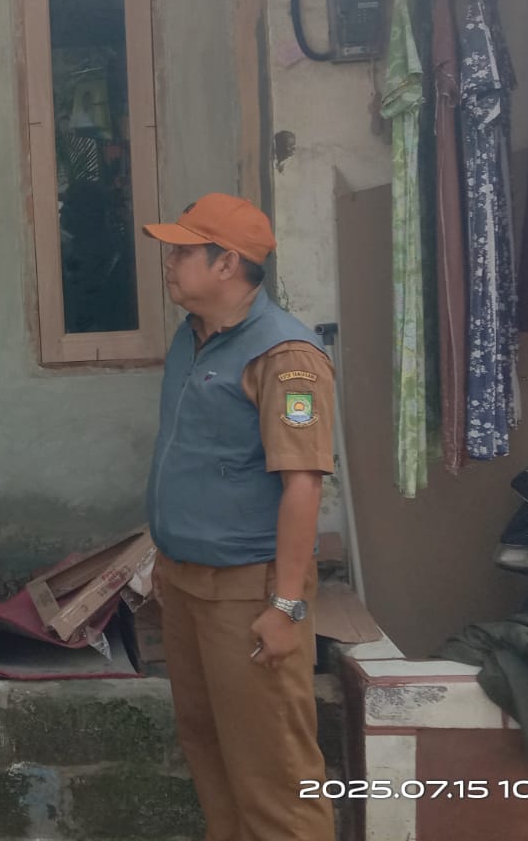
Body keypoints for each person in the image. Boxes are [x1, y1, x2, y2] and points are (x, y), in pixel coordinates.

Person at [142, 193, 334, 841]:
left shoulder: (286, 356)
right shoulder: (192, 335)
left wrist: (287, 606)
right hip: (187, 583)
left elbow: (303, 484)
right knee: (209, 749)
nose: (169, 263)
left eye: (182, 252)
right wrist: (166, 559)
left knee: (274, 773)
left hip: (248, 592)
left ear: (226, 264)